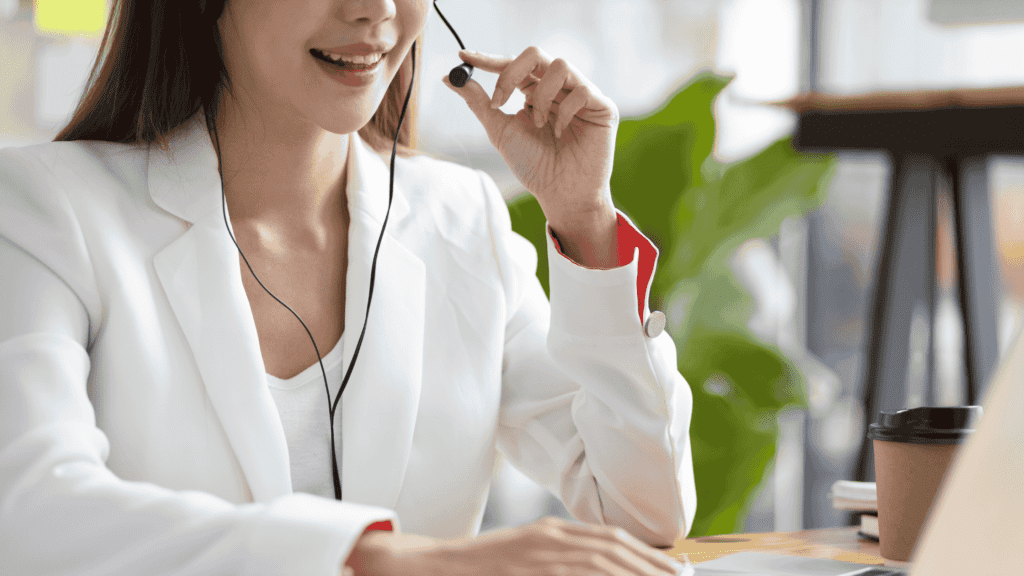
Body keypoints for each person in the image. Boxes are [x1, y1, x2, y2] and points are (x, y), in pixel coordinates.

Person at [0, 0, 697, 574]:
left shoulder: (461, 218)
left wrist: (585, 219)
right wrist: (381, 560)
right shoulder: (46, 209)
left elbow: (642, 511)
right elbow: (28, 514)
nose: (375, 10)